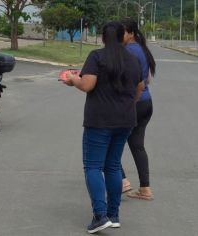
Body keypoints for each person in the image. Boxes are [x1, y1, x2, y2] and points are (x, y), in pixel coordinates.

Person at [62, 21, 144, 233]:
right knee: (113, 166)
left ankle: (100, 216)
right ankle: (113, 215)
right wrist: (126, 103)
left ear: (103, 37)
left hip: (99, 120)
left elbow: (87, 84)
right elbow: (140, 88)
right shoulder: (133, 59)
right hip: (126, 119)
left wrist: (72, 79)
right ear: (122, 36)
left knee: (93, 167)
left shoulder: (97, 56)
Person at [120, 19, 156, 200]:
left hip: (133, 102)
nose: (120, 36)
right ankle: (145, 189)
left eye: (123, 32)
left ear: (131, 33)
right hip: (146, 103)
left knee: (109, 142)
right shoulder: (141, 49)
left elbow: (131, 81)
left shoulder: (128, 51)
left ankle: (122, 180)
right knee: (137, 146)